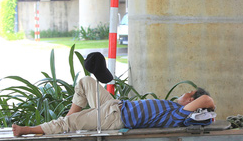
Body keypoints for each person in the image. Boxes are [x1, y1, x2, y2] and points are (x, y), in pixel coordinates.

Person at [12, 53, 215, 136]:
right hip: (116, 106)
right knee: (85, 81)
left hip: (114, 118)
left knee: (71, 123)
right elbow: (203, 102)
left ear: (191, 100)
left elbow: (206, 100)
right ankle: (67, 121)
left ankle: (26, 130)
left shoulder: (179, 114)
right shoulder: (174, 109)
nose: (181, 95)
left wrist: (208, 107)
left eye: (186, 94)